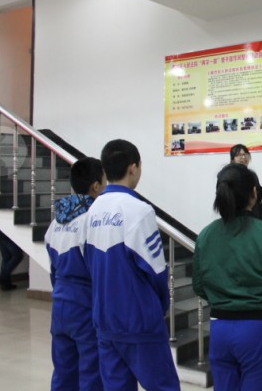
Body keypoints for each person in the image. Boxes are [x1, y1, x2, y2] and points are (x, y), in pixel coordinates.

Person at [192, 163, 262, 391]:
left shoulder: (206, 235)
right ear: (253, 193)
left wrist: (223, 301)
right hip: (260, 327)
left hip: (220, 327)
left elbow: (199, 285)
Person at [84, 139, 180, 391]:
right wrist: (158, 308)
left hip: (105, 320)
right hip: (139, 322)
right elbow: (157, 272)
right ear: (133, 168)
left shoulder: (93, 211)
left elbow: (90, 264)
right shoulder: (139, 210)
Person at [45, 157, 106, 391]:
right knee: (91, 372)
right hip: (85, 304)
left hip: (60, 303)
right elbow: (99, 270)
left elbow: (53, 269)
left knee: (63, 371)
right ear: (96, 186)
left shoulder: (56, 222)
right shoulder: (92, 221)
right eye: (105, 180)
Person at [0, 224, 24, 290]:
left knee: (6, 257)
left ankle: (5, 284)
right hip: (5, 233)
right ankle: (2, 277)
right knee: (18, 255)